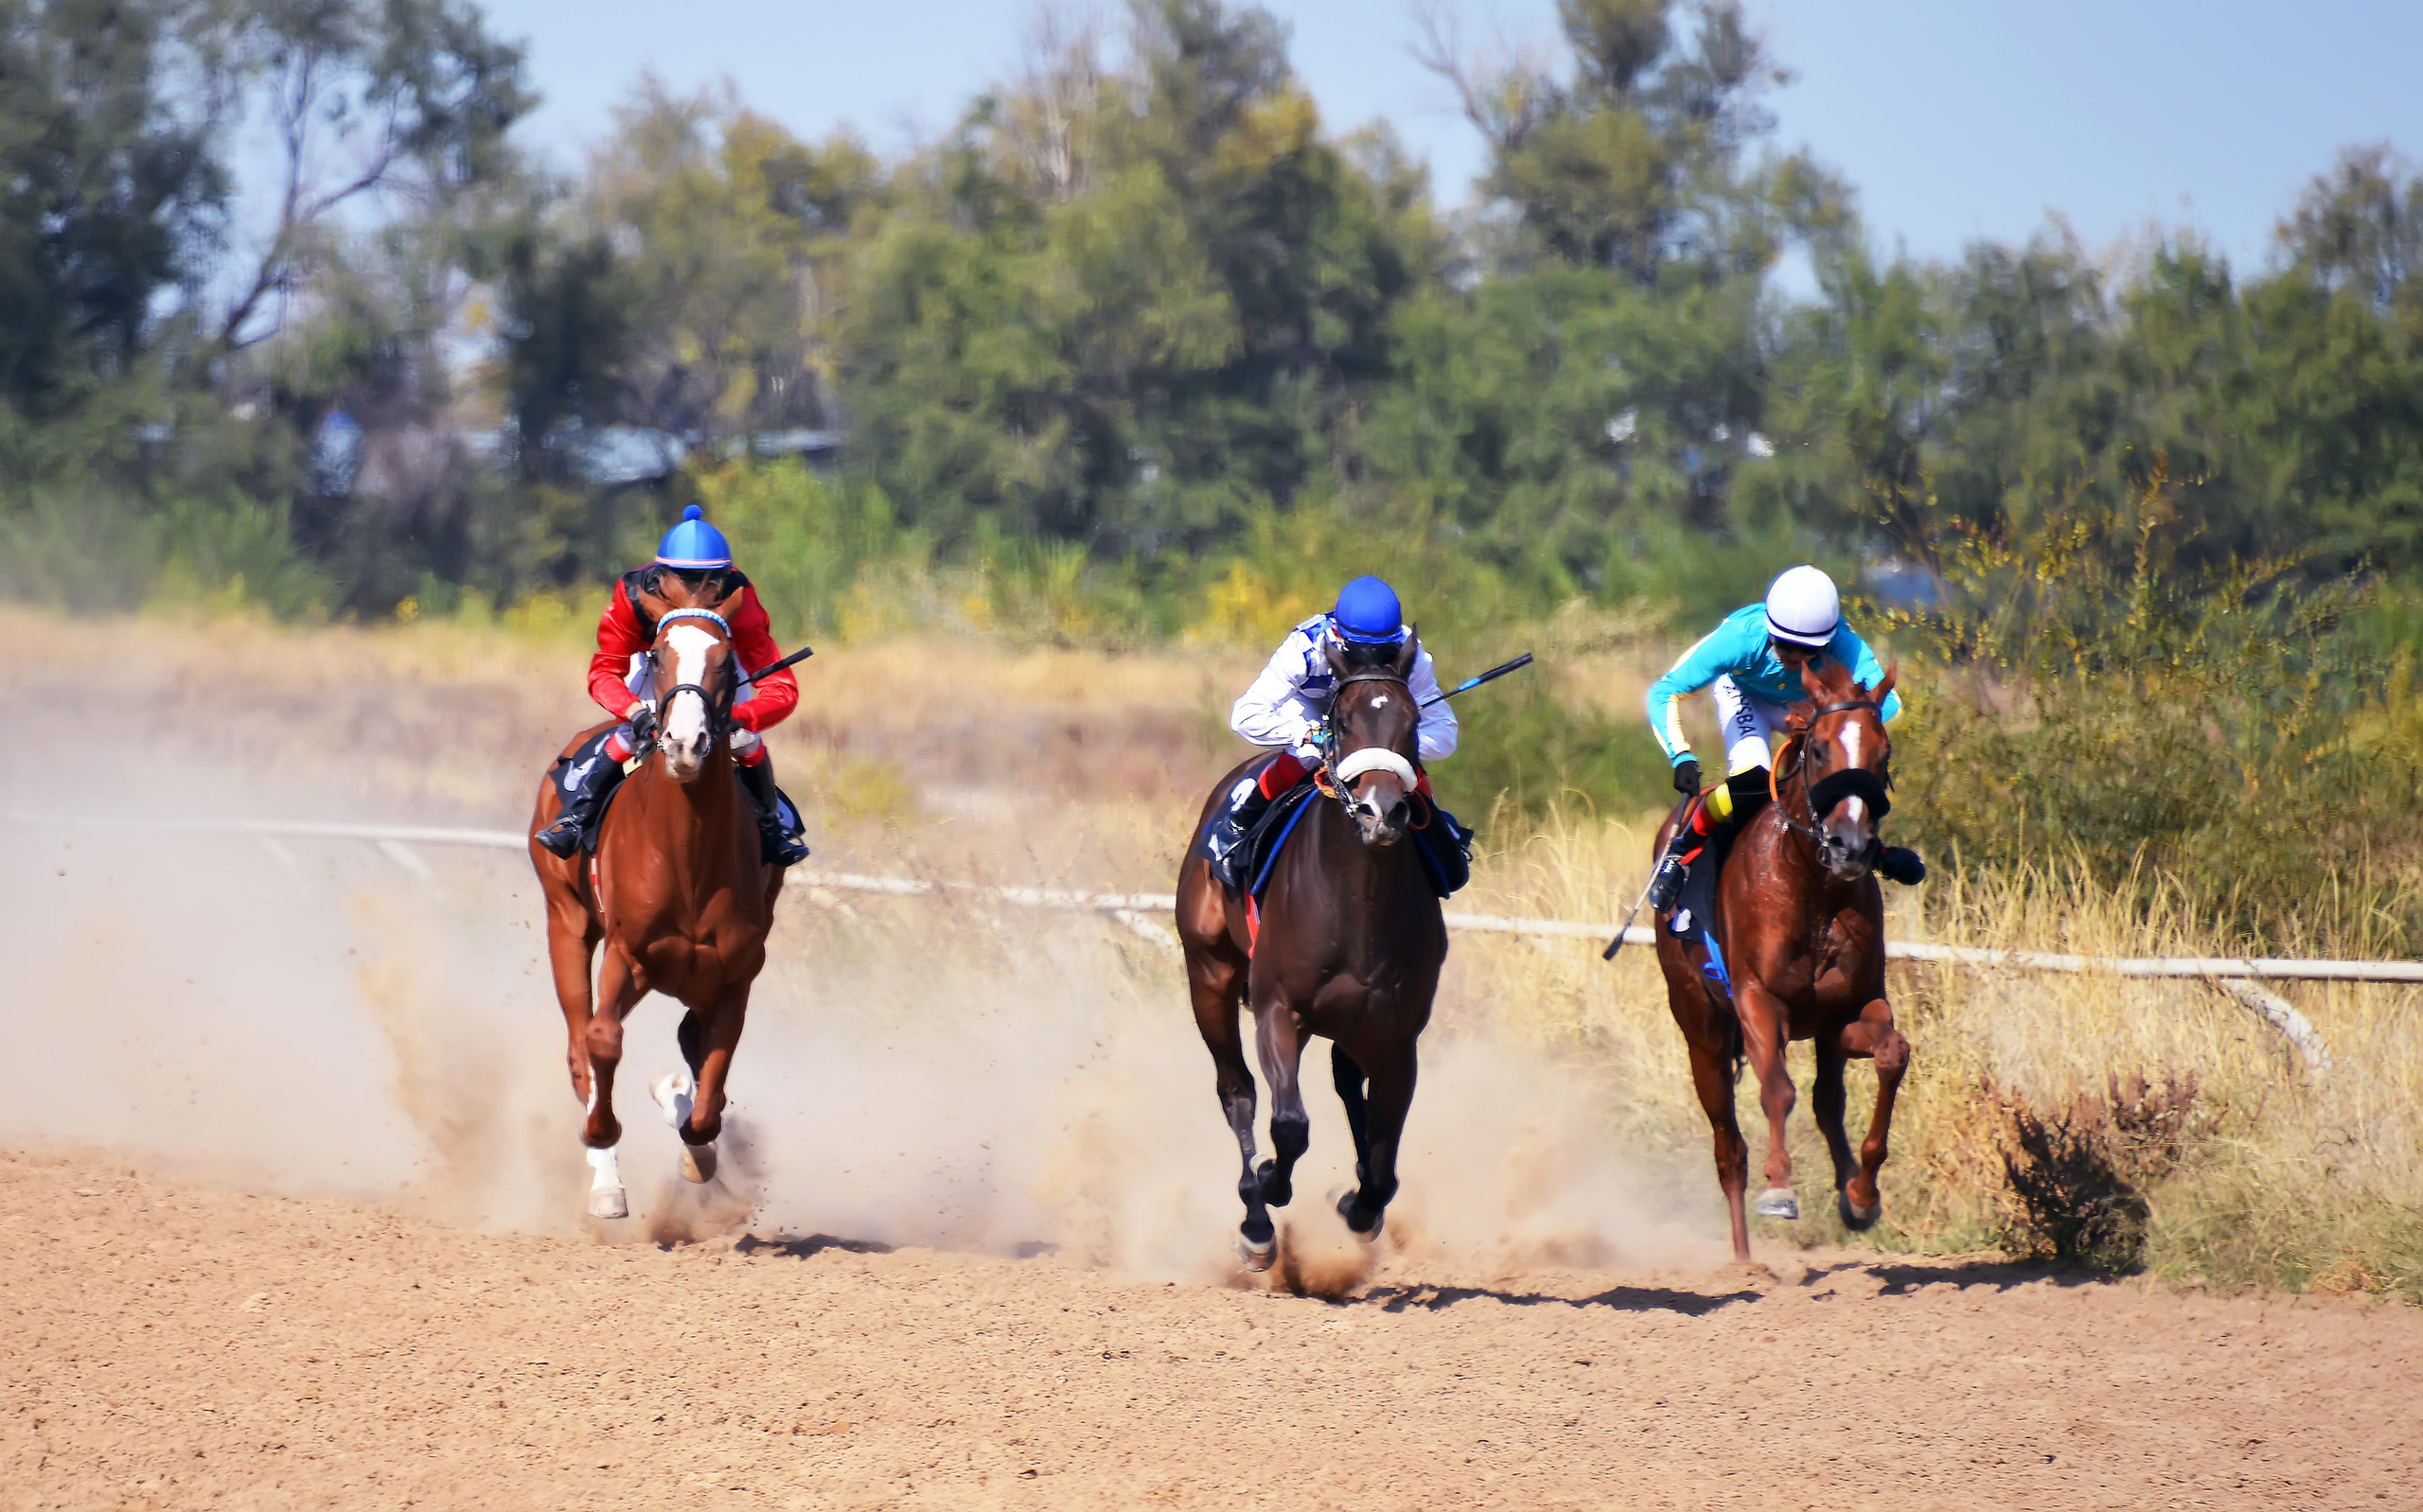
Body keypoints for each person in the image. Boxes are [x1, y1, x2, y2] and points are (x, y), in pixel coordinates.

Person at [535, 504, 810, 866]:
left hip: (715, 668)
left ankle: (771, 828)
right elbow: (604, 673)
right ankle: (576, 818)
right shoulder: (633, 594)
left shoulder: (738, 597)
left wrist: (742, 715)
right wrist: (633, 711)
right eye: (685, 578)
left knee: (744, 739)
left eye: (713, 579)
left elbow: (782, 689)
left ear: (727, 575)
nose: (700, 590)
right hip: (653, 664)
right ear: (660, 575)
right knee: (634, 732)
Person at [1642, 564, 1924, 915]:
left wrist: (1832, 724)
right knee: (1752, 780)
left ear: (1828, 641)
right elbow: (1664, 690)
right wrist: (1680, 755)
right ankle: (1683, 849)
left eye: (1807, 650)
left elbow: (1892, 708)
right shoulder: (1741, 638)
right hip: (1746, 697)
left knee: (1835, 772)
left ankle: (1870, 850)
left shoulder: (1847, 646)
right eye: (1784, 644)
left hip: (1813, 708)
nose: (1792, 657)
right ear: (1769, 629)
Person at [1204, 575, 1458, 893]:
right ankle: (1243, 819)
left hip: (1374, 717)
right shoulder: (1303, 649)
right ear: (1336, 634)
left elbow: (1446, 733)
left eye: (1383, 652)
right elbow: (1245, 716)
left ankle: (1437, 827)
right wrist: (1309, 733)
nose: (1373, 663)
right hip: (1310, 707)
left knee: (1397, 757)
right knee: (1309, 755)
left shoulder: (1412, 654)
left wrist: (1392, 743)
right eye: (1362, 652)